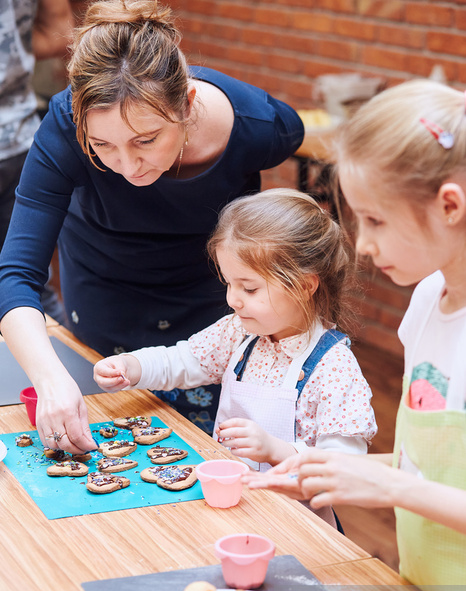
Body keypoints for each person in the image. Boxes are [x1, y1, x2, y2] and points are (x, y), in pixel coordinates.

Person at [0, 0, 305, 452]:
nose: (127, 166)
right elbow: (15, 275)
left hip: (211, 315)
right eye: (102, 145)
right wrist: (50, 379)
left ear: (186, 104)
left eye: (146, 140)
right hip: (104, 296)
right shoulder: (64, 128)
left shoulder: (259, 127)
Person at [244, 80, 466, 591]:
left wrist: (387, 484)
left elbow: (409, 484)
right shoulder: (426, 302)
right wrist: (323, 467)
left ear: (450, 205)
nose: (361, 244)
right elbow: (436, 467)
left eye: (376, 220)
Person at [94, 188, 377, 526]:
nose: (233, 300)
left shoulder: (334, 368)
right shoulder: (239, 334)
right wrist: (133, 366)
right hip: (226, 506)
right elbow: (183, 361)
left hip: (296, 526)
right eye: (229, 284)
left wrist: (275, 450)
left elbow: (344, 469)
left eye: (250, 288)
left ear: (305, 285)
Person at [0, 0, 72, 322]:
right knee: (30, 281)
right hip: (20, 136)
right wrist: (13, 50)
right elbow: (60, 33)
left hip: (21, 140)